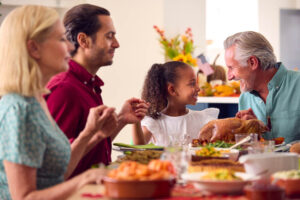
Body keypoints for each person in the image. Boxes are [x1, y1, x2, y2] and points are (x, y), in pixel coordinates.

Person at [0, 5, 119, 200]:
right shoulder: (19, 109)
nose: (71, 47)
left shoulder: (36, 100)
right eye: (61, 39)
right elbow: (24, 197)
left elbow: (55, 176)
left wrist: (91, 133)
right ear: (34, 48)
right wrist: (86, 177)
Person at [45, 4, 149, 178]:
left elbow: (91, 148)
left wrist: (122, 119)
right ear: (83, 40)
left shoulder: (88, 84)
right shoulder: (64, 89)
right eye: (109, 37)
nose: (116, 44)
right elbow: (55, 164)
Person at [224, 31, 300, 143]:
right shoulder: (245, 97)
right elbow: (252, 150)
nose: (229, 77)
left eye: (232, 68)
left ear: (252, 62)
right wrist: (252, 134)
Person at [132, 61, 219, 146]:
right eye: (192, 83)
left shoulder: (202, 118)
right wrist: (135, 122)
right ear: (172, 90)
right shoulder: (155, 122)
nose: (198, 88)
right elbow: (139, 145)